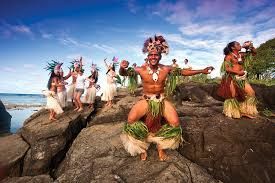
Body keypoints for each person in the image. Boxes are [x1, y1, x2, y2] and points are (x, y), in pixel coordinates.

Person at [119, 35, 214, 161]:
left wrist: (202, 71)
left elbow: (183, 72)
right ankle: (141, 148)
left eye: (156, 55)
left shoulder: (166, 68)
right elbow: (124, 73)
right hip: (146, 101)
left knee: (175, 123)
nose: (153, 57)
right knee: (131, 120)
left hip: (161, 100)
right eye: (151, 55)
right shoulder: (141, 69)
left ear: (160, 56)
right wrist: (122, 67)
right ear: (148, 56)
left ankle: (161, 147)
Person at [217, 41, 258, 119]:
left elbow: (254, 53)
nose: (240, 45)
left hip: (241, 78)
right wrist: (238, 72)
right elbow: (227, 68)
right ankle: (233, 112)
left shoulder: (241, 54)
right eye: (238, 44)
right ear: (233, 47)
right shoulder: (228, 56)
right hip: (231, 78)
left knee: (251, 93)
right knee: (232, 96)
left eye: (240, 44)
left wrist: (250, 46)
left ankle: (245, 111)